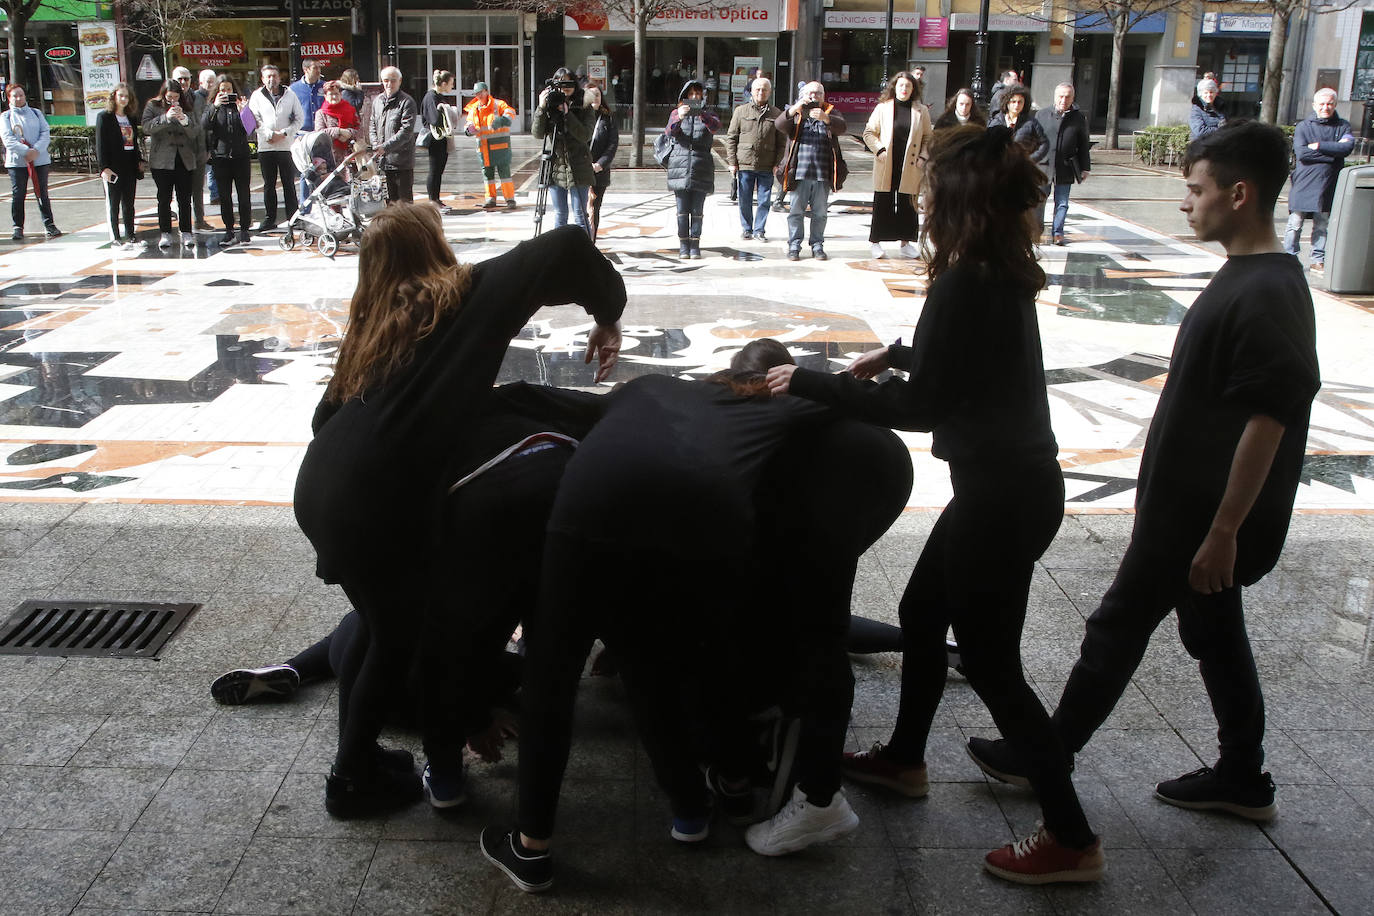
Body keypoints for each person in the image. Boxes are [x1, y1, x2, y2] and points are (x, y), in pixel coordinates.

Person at [767, 124, 1104, 885]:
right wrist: (896, 352)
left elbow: (921, 408)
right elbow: (962, 367)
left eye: (930, 182)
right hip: (1008, 487)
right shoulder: (996, 272)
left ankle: (1071, 837)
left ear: (958, 198)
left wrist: (813, 384)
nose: (921, 196)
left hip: (1003, 497)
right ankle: (904, 759)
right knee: (922, 615)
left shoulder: (965, 282)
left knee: (991, 664)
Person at [966, 120, 1321, 830]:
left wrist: (1224, 530)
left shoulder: (1268, 291)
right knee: (1216, 636)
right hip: (1189, 510)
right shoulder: (1249, 277)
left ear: (1240, 195)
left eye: (1196, 189)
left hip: (1198, 518)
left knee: (1117, 627)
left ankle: (1046, 755)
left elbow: (1269, 421)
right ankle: (1242, 775)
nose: (1185, 203)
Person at [293, 205, 623, 818]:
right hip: (371, 503)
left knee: (377, 627)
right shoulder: (464, 293)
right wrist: (608, 315)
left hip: (319, 487)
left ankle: (358, 762)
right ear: (433, 245)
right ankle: (351, 779)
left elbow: (325, 417)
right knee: (393, 640)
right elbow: (567, 243)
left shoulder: (372, 325)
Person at [863, 70, 932, 260]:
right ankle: (876, 242)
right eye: (901, 85)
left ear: (913, 89)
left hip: (910, 164)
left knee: (908, 204)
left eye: (908, 86)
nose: (904, 89)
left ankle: (905, 243)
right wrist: (879, 150)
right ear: (895, 87)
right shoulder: (883, 108)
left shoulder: (921, 111)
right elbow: (869, 133)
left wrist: (923, 157)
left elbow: (928, 137)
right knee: (882, 202)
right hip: (886, 162)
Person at [1285, 88, 1355, 274]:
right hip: (1304, 181)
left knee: (1322, 224)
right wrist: (1333, 154)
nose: (1326, 107)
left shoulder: (1343, 126)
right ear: (1314, 105)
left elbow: (1347, 148)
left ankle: (1318, 260)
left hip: (1328, 183)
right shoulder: (1304, 126)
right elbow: (1302, 153)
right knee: (1295, 223)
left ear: (1335, 105)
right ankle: (1289, 256)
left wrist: (1319, 146)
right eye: (1322, 104)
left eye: (1330, 104)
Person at [775, 81, 847, 262]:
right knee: (796, 212)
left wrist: (826, 118)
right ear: (803, 95)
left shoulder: (830, 112)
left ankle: (817, 245)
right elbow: (779, 124)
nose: (814, 97)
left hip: (823, 174)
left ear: (824, 96)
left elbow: (842, 127)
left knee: (820, 213)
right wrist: (795, 108)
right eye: (810, 93)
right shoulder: (797, 113)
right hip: (799, 173)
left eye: (818, 93)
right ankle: (794, 245)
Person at [532, 68, 594, 235]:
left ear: (575, 84)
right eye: (560, 84)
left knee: (580, 215)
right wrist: (541, 108)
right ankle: (560, 248)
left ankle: (585, 249)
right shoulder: (549, 105)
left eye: (568, 84)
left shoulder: (584, 104)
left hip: (579, 166)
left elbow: (585, 135)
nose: (565, 88)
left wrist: (568, 114)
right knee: (560, 215)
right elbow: (537, 134)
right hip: (555, 166)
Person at [664, 79, 720, 259]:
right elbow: (669, 132)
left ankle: (695, 244)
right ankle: (683, 244)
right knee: (682, 210)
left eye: (698, 94)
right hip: (679, 166)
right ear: (684, 96)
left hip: (701, 165)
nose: (694, 97)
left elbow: (715, 127)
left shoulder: (709, 114)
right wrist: (679, 118)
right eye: (691, 94)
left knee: (697, 210)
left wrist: (702, 114)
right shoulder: (676, 113)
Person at [143, 80, 201, 250]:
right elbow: (146, 127)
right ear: (164, 94)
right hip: (162, 161)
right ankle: (165, 232)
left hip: (184, 159)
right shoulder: (153, 105)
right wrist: (165, 118)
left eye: (176, 97)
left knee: (184, 199)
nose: (173, 101)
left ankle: (186, 231)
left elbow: (195, 131)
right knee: (164, 198)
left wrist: (184, 120)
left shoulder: (187, 107)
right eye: (170, 97)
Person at [725, 77, 784, 242]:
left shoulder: (776, 114)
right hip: (745, 163)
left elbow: (782, 143)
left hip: (767, 164)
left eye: (764, 89)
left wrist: (777, 163)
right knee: (745, 199)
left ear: (769, 92)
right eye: (757, 89)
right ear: (751, 91)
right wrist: (732, 162)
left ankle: (759, 230)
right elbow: (731, 138)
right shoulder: (740, 111)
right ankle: (747, 229)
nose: (761, 92)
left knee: (764, 201)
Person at [2, 85, 62, 242]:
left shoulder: (36, 113)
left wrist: (36, 150)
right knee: (18, 194)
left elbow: (45, 132)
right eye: (15, 96)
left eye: (21, 95)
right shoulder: (6, 117)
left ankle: (49, 224)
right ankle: (18, 227)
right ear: (9, 98)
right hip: (17, 163)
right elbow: (8, 139)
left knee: (42, 192)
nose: (18, 98)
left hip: (39, 160)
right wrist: (25, 151)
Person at [1035, 82, 1091, 246]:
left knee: (1062, 203)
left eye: (1067, 97)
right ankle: (1036, 232)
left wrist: (1085, 167)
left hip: (1065, 167)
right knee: (1039, 201)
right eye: (1061, 96)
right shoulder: (1041, 115)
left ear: (1073, 98)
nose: (1063, 100)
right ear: (1055, 96)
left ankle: (1058, 233)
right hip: (1043, 166)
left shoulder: (1078, 118)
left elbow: (1083, 144)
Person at [248, 64, 303, 231]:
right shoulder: (256, 96)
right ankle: (269, 218)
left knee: (289, 183)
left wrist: (285, 133)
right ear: (263, 79)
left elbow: (299, 118)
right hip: (266, 147)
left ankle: (293, 218)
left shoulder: (290, 94)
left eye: (274, 75)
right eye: (268, 76)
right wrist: (269, 135)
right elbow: (254, 119)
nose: (271, 79)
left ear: (279, 78)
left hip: (286, 146)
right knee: (269, 185)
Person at [202, 77, 254, 246]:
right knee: (224, 196)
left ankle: (244, 230)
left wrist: (244, 111)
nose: (226, 93)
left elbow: (250, 128)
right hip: (221, 157)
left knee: (244, 195)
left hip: (241, 157)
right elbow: (204, 125)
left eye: (229, 89)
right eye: (222, 90)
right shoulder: (213, 107)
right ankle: (229, 230)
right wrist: (215, 106)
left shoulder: (239, 106)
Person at [92, 83, 141, 248]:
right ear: (114, 97)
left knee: (129, 203)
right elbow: (100, 144)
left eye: (127, 96)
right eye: (121, 95)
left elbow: (134, 142)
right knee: (113, 203)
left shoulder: (131, 118)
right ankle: (115, 236)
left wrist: (138, 161)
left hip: (129, 165)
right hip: (113, 167)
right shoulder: (104, 117)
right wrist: (103, 167)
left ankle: (130, 234)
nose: (124, 99)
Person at [463, 80, 519, 209]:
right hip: (484, 149)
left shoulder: (498, 104)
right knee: (488, 176)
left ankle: (510, 199)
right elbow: (469, 124)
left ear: (487, 91)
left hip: (500, 148)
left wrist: (502, 120)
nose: (479, 96)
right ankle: (490, 199)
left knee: (504, 175)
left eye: (481, 92)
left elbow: (510, 112)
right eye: (476, 94)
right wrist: (469, 130)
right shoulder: (473, 109)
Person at [172, 67, 213, 230]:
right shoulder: (169, 98)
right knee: (181, 191)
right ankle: (183, 224)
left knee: (198, 188)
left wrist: (208, 148)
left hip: (198, 150)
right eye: (179, 79)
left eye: (186, 79)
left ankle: (199, 220)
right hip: (178, 152)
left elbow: (205, 125)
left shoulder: (198, 98)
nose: (183, 82)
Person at [369, 66, 418, 204]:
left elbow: (406, 131)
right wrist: (375, 144)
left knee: (404, 204)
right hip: (383, 162)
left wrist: (385, 147)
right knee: (388, 204)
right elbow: (372, 124)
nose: (389, 84)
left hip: (401, 162)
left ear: (400, 81)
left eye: (393, 80)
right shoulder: (377, 101)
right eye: (386, 80)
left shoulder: (407, 102)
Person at [419, 69, 457, 211]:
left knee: (438, 170)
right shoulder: (431, 97)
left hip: (441, 139)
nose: (452, 86)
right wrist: (448, 112)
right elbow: (434, 119)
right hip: (435, 139)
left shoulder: (437, 96)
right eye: (451, 83)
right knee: (434, 170)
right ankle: (433, 200)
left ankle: (436, 199)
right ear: (443, 84)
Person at [290, 59, 326, 201]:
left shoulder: (324, 87)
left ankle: (325, 203)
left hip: (320, 134)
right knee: (306, 171)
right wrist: (293, 134)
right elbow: (289, 113)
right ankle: (305, 205)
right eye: (315, 68)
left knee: (323, 169)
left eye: (319, 67)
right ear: (306, 70)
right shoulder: (293, 89)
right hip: (302, 135)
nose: (318, 71)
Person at [585, 86, 617, 239]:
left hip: (599, 172)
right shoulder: (579, 117)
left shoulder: (608, 118)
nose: (595, 98)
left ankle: (591, 240)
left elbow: (612, 144)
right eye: (591, 95)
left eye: (597, 94)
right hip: (581, 170)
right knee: (581, 209)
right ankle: (583, 238)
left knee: (594, 208)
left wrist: (601, 164)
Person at [987, 84, 1047, 163]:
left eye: (1020, 102)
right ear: (1007, 102)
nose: (1017, 105)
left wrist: (1030, 159)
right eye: (1013, 102)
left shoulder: (1031, 122)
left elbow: (1044, 143)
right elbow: (987, 144)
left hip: (1021, 166)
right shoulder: (996, 121)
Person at [314, 80, 360, 169]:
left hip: (351, 156)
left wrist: (349, 133)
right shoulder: (321, 113)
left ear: (341, 94)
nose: (334, 97)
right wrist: (339, 131)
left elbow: (359, 129)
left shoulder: (350, 110)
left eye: (336, 94)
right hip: (329, 157)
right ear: (325, 96)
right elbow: (319, 133)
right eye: (331, 94)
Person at [195, 69, 220, 210]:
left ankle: (215, 195)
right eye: (208, 82)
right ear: (201, 83)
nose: (211, 85)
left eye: (213, 82)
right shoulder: (197, 98)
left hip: (214, 139)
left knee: (213, 169)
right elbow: (201, 122)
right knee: (204, 171)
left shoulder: (215, 96)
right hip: (201, 140)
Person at [1189, 77, 1225, 141]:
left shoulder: (1221, 106)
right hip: (1202, 144)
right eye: (1206, 93)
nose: (1209, 95)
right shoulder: (1196, 109)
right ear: (1201, 94)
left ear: (1215, 93)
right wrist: (1220, 129)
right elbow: (1200, 131)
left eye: (1211, 92)